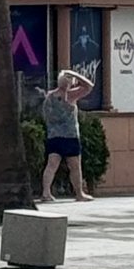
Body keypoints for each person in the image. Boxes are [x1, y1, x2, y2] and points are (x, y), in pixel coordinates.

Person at [40, 69, 94, 203]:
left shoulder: (49, 97)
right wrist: (74, 74)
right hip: (70, 136)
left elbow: (45, 116)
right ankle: (79, 193)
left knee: (51, 165)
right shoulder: (70, 96)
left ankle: (46, 192)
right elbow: (89, 86)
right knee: (75, 166)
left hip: (54, 135)